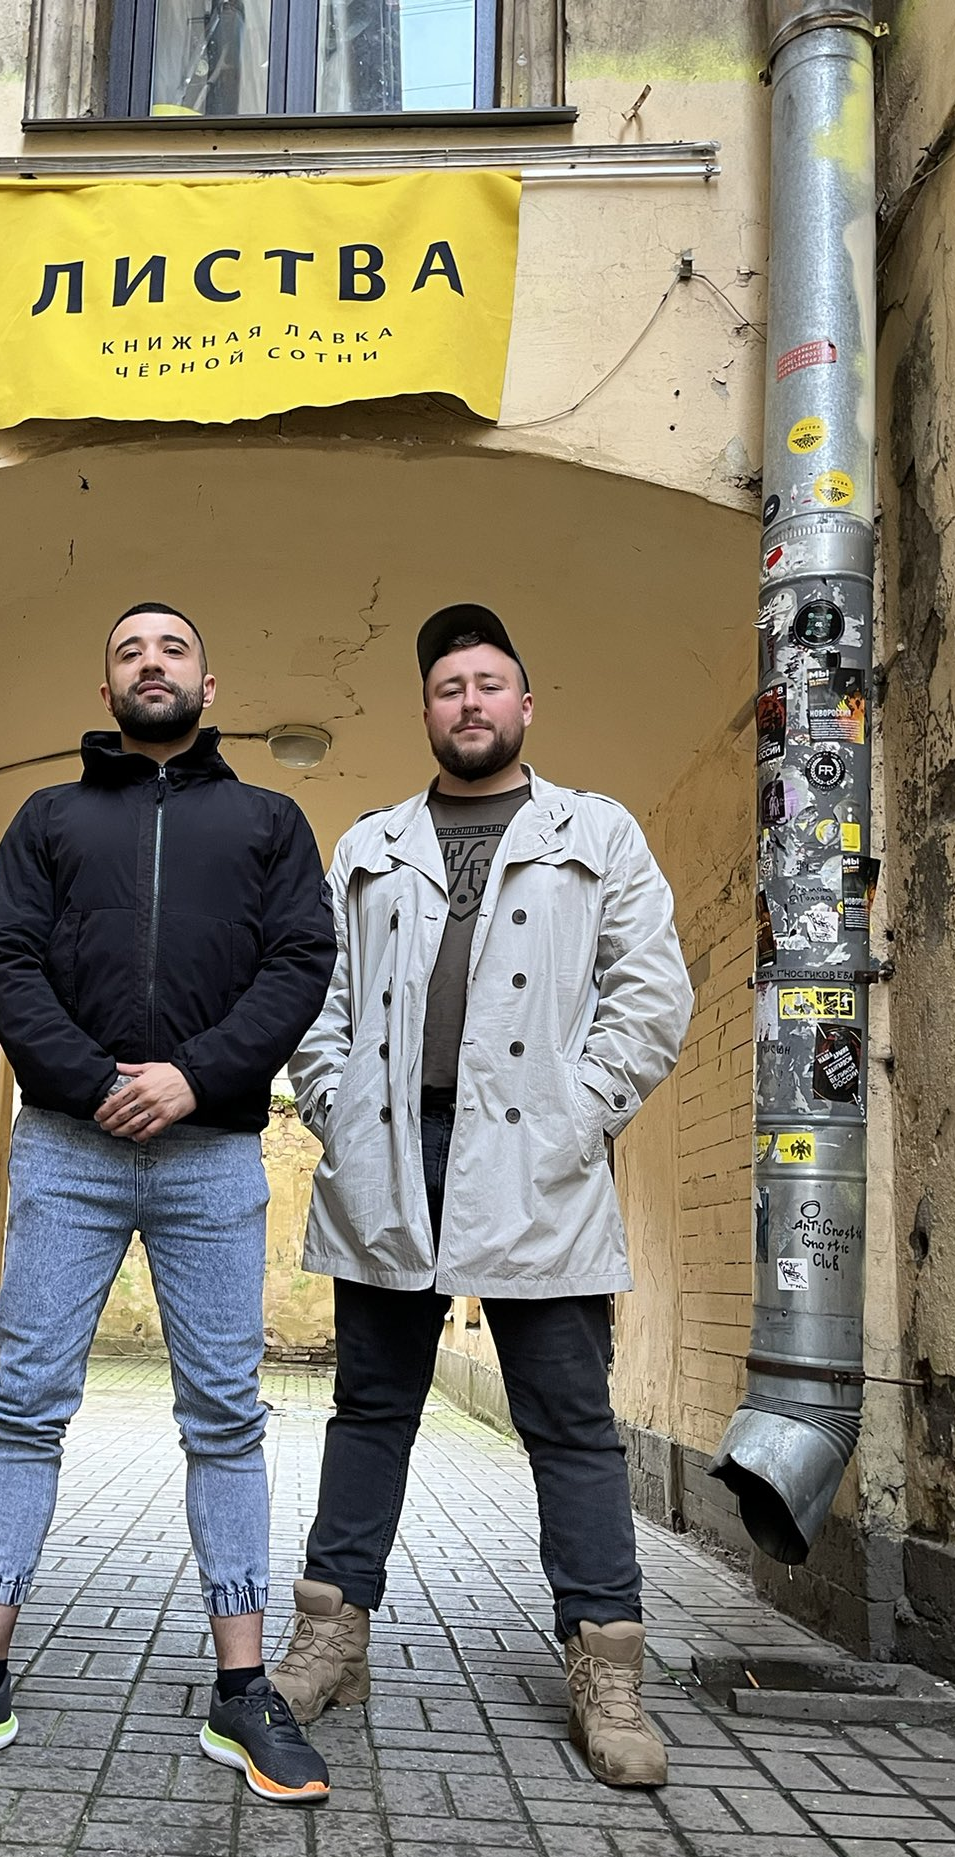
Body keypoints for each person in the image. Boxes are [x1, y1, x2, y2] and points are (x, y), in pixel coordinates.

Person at [0, 604, 337, 1803]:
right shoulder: (49, 818)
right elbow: (6, 960)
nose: (151, 664)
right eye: (130, 651)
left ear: (209, 684)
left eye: (172, 650)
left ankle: (244, 1688)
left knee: (224, 1415)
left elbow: (299, 962)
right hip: (69, 1148)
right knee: (24, 1402)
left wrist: (195, 1077)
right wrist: (93, 1082)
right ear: (107, 686)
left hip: (212, 1151)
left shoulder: (269, 823)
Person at [272, 602, 692, 1788]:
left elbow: (651, 992)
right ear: (426, 710)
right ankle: (332, 1636)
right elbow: (318, 994)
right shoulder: (369, 845)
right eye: (449, 686)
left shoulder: (595, 832)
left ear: (525, 703)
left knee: (569, 1416)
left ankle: (607, 1670)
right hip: (395, 1147)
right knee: (371, 1406)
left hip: (534, 1155)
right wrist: (335, 1106)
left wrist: (577, 1111)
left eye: (489, 683)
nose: (470, 701)